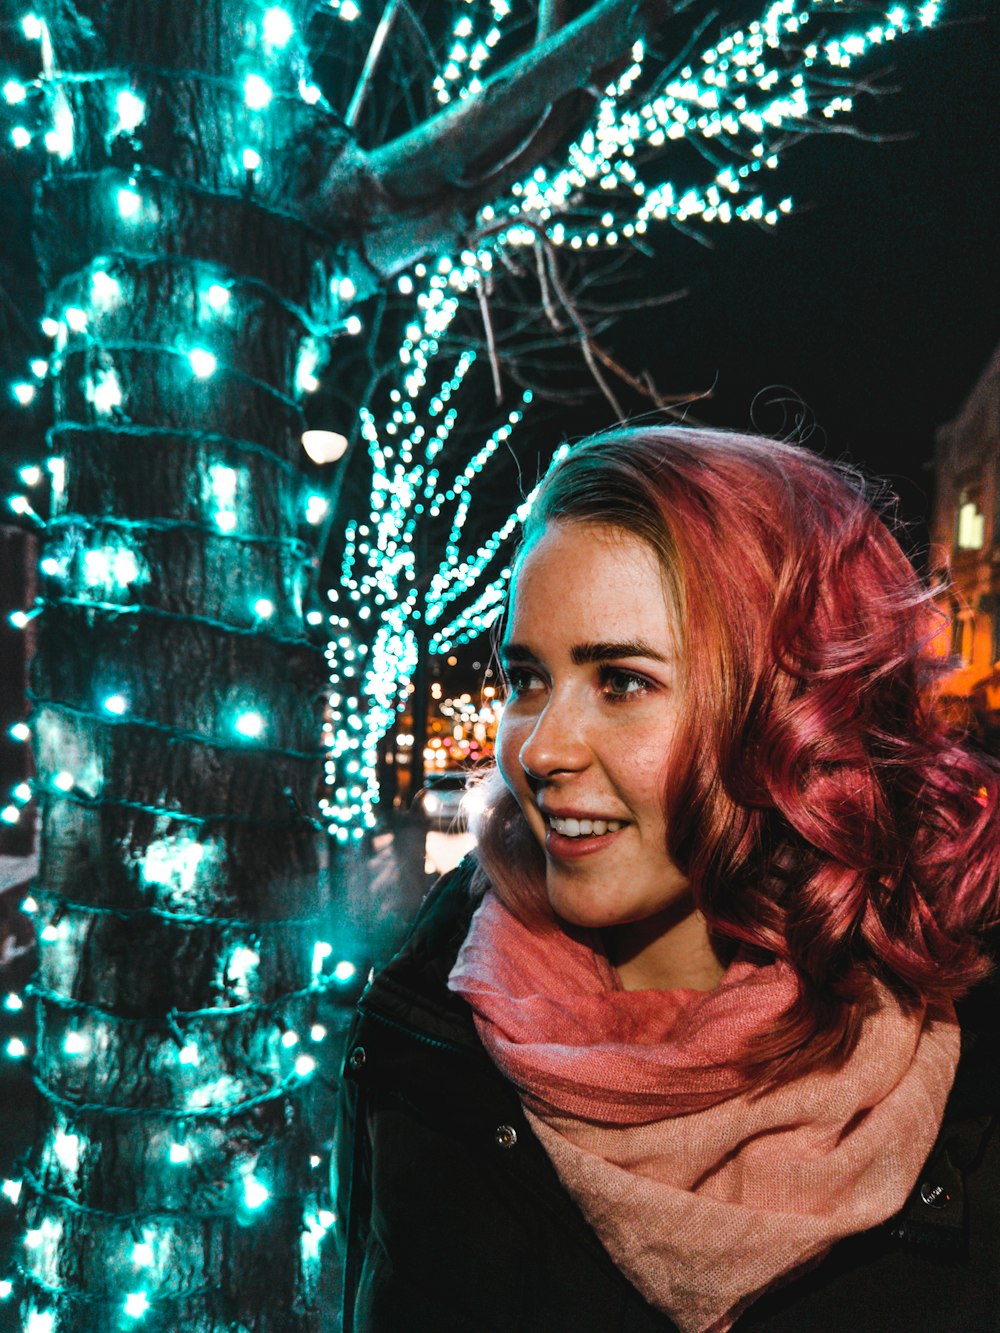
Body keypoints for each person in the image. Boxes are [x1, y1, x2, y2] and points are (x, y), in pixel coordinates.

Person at [333, 426, 1000, 1333]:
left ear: (792, 716)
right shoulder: (426, 1041)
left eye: (621, 681)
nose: (541, 748)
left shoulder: (968, 1093)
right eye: (528, 676)